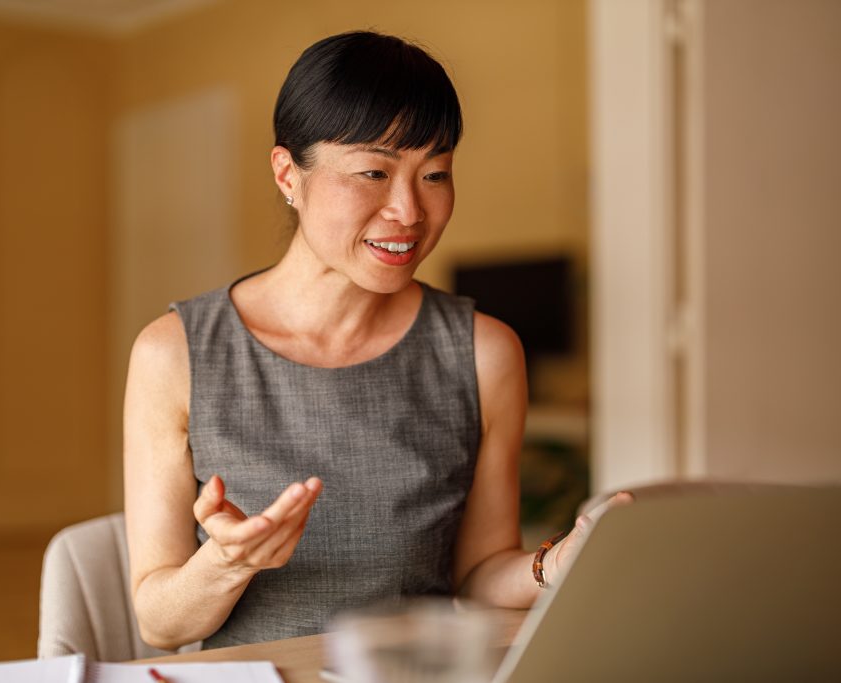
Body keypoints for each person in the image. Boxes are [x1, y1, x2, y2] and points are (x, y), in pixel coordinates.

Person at [123, 30, 628, 651]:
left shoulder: (483, 352)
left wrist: (557, 563)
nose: (410, 211)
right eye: (372, 171)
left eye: (435, 173)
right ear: (288, 174)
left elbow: (476, 576)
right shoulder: (174, 353)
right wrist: (227, 563)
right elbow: (158, 621)